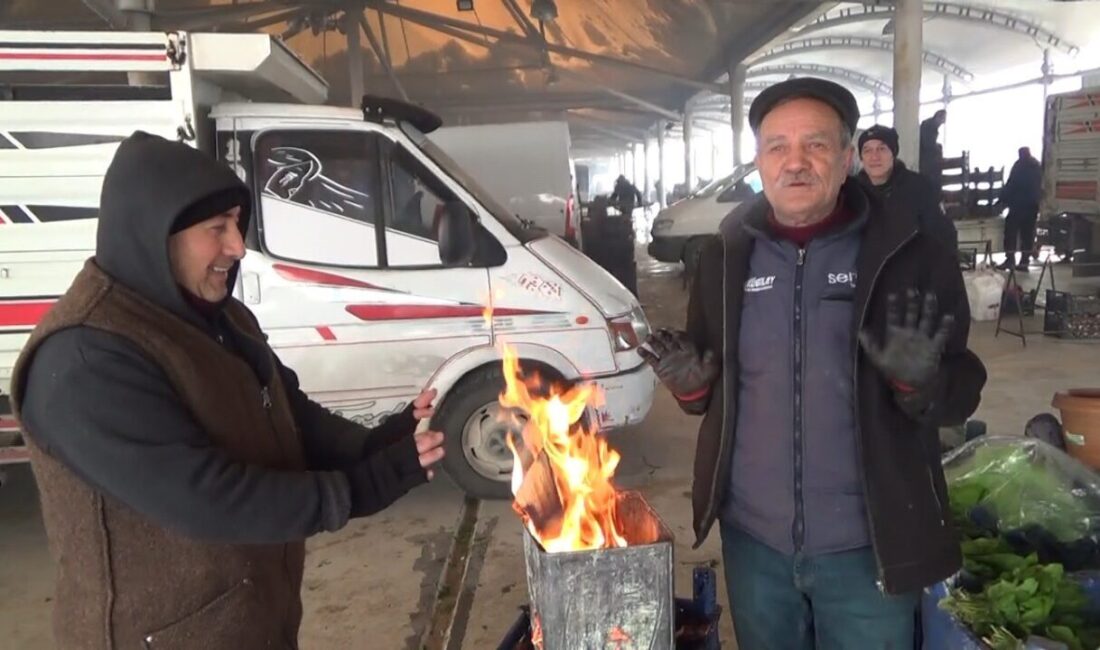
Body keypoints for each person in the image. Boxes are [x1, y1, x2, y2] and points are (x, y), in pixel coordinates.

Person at [8, 131, 446, 649]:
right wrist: (357, 490)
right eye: (217, 228)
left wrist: (380, 443)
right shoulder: (86, 359)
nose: (237, 247)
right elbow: (206, 497)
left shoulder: (220, 316)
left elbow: (289, 415)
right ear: (154, 236)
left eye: (237, 224)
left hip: (249, 623)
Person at [638, 78, 986, 650]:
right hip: (755, 547)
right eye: (777, 146)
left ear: (848, 157)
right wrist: (693, 391)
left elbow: (963, 390)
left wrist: (919, 381)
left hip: (869, 546)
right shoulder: (726, 256)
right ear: (758, 161)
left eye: (816, 145)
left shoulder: (913, 254)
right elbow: (706, 382)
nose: (794, 163)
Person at [857, 124, 958, 248]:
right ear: (861, 158)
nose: (874, 157)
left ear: (893, 154)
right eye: (867, 150)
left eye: (882, 149)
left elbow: (943, 236)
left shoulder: (919, 188)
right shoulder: (852, 193)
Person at [996, 146, 1043, 271]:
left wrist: (1001, 200)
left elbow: (1011, 184)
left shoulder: (1019, 166)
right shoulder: (1037, 166)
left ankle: (1010, 260)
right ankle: (1024, 262)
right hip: (1032, 207)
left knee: (1010, 234)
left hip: (1018, 207)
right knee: (1027, 236)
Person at [920, 109, 947, 191]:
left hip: (926, 158)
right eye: (942, 120)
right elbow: (928, 144)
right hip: (926, 160)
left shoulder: (929, 125)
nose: (942, 123)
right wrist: (937, 149)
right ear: (938, 117)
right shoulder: (928, 126)